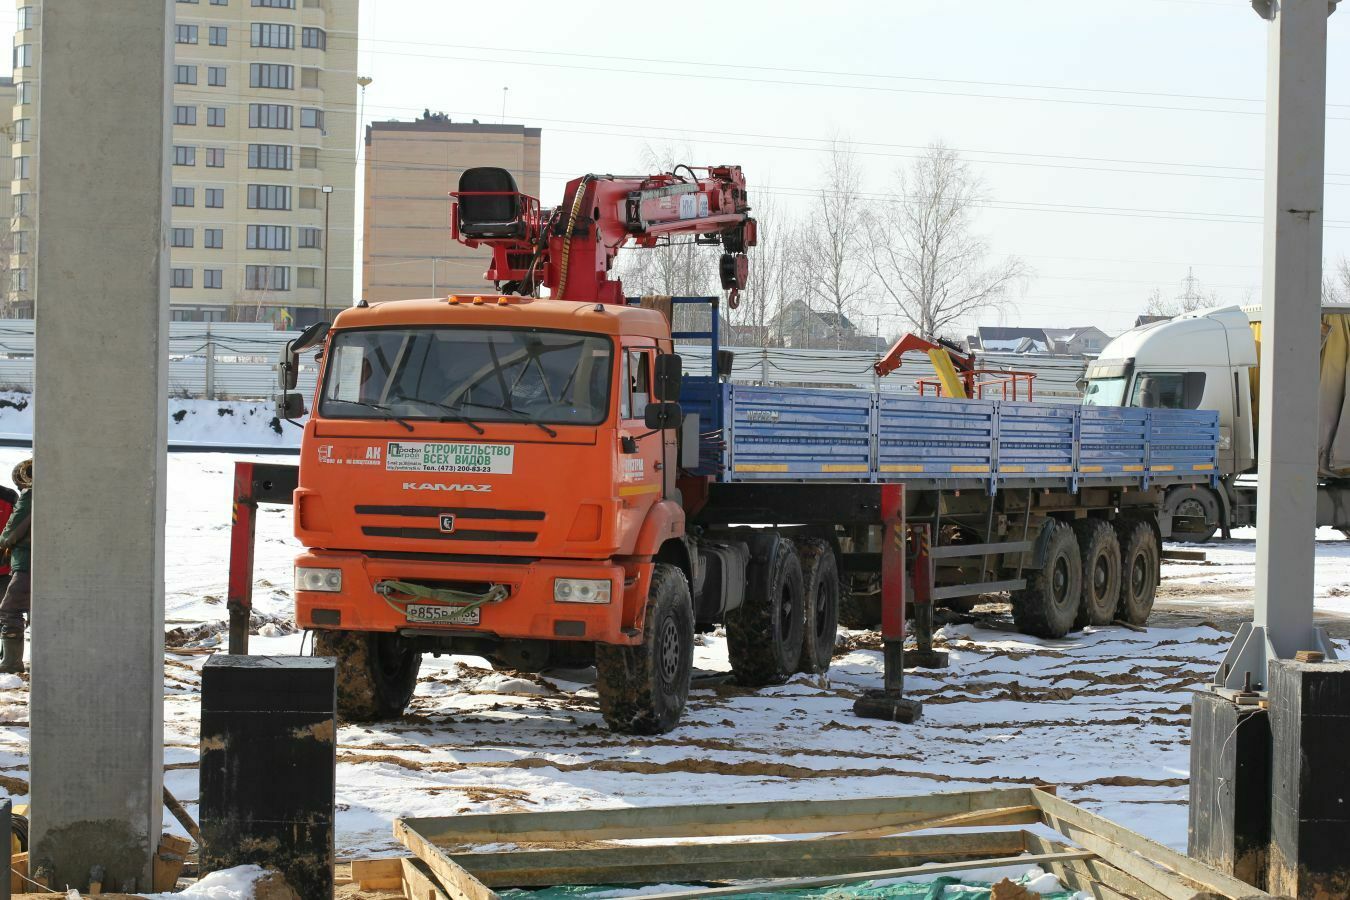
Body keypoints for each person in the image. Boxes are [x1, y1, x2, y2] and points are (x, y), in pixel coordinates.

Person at [0, 459, 32, 674]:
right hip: (45, 562)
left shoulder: (28, 497)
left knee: (9, 611)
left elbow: (10, 534)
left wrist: (4, 542)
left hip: (23, 564)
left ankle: (10, 663)